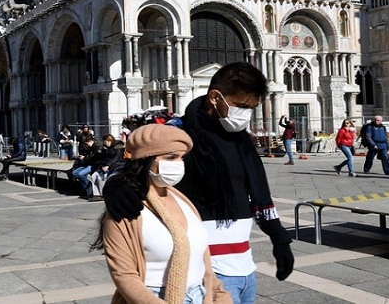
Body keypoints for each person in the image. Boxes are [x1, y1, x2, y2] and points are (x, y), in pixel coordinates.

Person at [104, 62, 294, 304]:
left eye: (251, 108)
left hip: (243, 263)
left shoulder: (241, 139)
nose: (246, 114)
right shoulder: (180, 131)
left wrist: (278, 236)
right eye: (241, 106)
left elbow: (256, 189)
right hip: (207, 267)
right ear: (216, 97)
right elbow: (133, 157)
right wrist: (114, 182)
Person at [91, 124, 231, 303]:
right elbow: (124, 275)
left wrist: (219, 295)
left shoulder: (183, 200)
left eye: (182, 158)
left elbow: (202, 260)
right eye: (171, 157)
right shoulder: (126, 208)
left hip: (201, 295)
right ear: (146, 159)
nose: (179, 164)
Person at [88, 134, 125, 201]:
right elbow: (104, 157)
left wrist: (108, 165)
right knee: (94, 175)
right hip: (106, 165)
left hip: (116, 165)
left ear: (109, 141)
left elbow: (117, 157)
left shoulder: (118, 147)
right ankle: (97, 194)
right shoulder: (107, 148)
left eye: (105, 142)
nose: (104, 143)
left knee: (101, 177)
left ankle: (102, 193)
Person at [71, 134, 104, 198]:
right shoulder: (90, 147)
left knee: (81, 174)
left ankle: (89, 188)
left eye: (87, 144)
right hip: (89, 163)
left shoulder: (97, 146)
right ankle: (86, 187)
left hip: (95, 164)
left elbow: (94, 157)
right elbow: (88, 156)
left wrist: (84, 158)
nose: (86, 145)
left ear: (91, 141)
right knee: (74, 173)